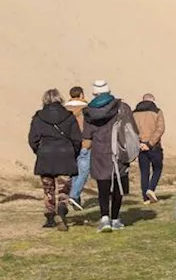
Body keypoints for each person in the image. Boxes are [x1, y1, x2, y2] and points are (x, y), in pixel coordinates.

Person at [81, 80, 137, 231]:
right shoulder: (122, 107)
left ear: (94, 93)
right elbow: (131, 128)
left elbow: (87, 135)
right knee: (118, 185)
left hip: (99, 152)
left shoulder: (89, 111)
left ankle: (104, 218)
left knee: (103, 187)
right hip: (119, 151)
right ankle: (115, 218)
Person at [28, 88, 81, 230]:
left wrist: (39, 151)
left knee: (48, 189)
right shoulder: (69, 116)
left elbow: (32, 139)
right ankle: (62, 212)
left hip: (45, 155)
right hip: (65, 155)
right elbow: (77, 139)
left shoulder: (38, 117)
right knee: (63, 188)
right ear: (60, 99)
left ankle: (50, 218)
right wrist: (72, 153)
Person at [134, 93, 166, 203]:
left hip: (140, 146)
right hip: (154, 146)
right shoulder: (157, 112)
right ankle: (151, 189)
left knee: (144, 172)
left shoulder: (134, 113)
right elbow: (160, 129)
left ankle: (145, 198)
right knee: (157, 168)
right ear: (152, 101)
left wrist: (139, 143)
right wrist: (150, 144)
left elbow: (131, 130)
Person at [65, 86, 91, 209]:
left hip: (68, 145)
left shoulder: (64, 110)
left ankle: (75, 199)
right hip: (84, 143)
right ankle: (74, 195)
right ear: (81, 95)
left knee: (75, 173)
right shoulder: (87, 109)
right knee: (84, 172)